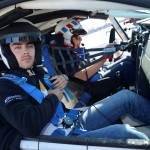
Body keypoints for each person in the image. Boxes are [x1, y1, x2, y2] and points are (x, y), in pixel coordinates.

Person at [0, 21, 147, 150]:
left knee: (127, 97)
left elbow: (61, 79)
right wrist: (53, 98)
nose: (25, 51)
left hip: (69, 121)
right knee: (124, 133)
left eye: (30, 46)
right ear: (7, 53)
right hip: (57, 140)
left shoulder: (34, 71)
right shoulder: (5, 86)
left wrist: (63, 78)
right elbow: (29, 126)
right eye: (17, 47)